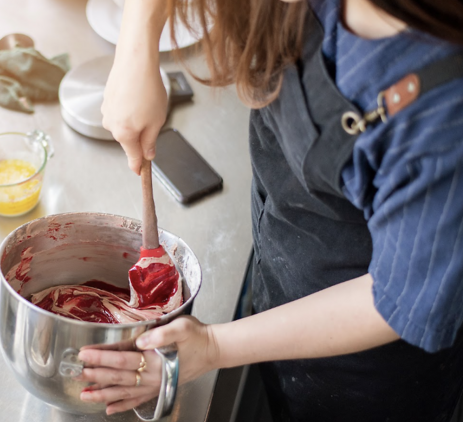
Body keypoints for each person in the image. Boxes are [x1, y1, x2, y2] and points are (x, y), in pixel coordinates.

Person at [77, 0, 463, 420]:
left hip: (365, 375)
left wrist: (216, 347)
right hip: (280, 272)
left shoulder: (445, 118)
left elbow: (402, 297)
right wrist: (138, 43)